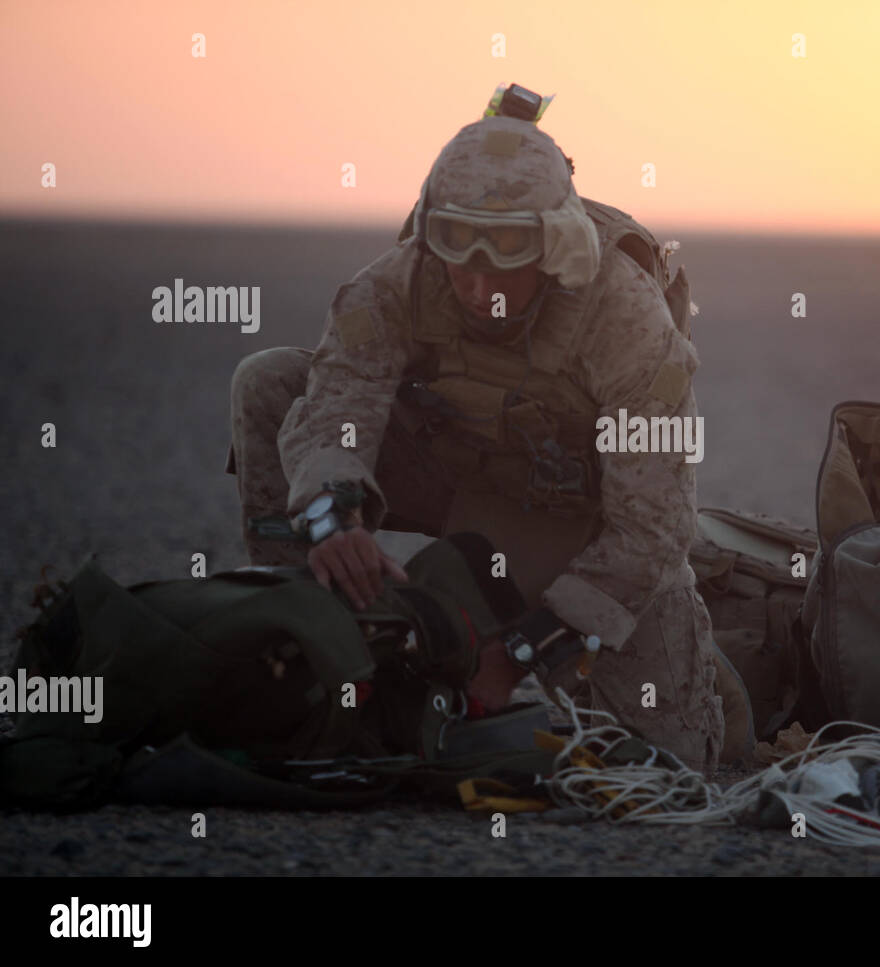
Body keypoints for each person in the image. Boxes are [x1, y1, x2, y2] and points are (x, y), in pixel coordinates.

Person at [226, 88, 728, 772]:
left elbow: (654, 525)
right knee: (270, 382)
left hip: (579, 522)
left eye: (510, 245)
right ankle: (301, 643)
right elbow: (338, 401)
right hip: (458, 477)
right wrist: (330, 516)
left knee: (672, 762)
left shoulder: (627, 319)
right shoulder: (400, 281)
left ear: (557, 244)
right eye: (457, 241)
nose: (477, 276)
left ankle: (737, 652)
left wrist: (525, 649)